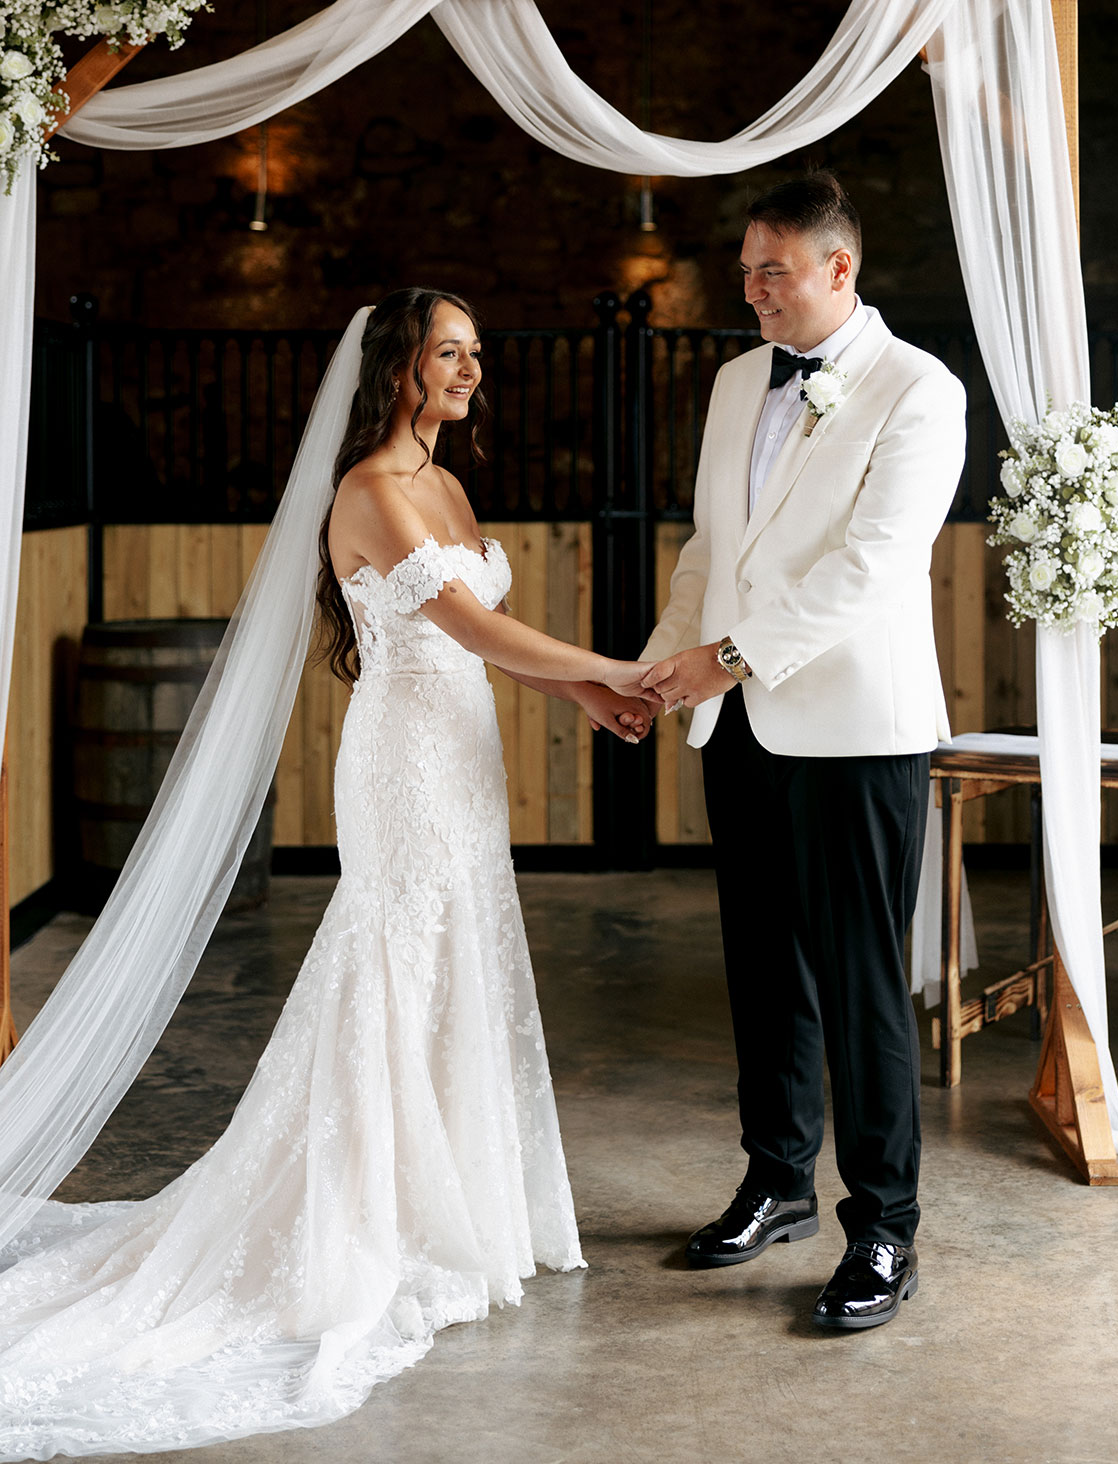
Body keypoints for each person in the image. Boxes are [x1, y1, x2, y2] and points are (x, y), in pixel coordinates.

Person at [0, 287, 651, 1458]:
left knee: (460, 961)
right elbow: (469, 625)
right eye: (449, 352)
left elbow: (490, 651)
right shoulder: (372, 491)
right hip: (402, 765)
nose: (470, 371)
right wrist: (614, 663)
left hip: (464, 757)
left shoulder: (449, 484)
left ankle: (448, 1201)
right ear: (399, 367)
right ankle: (367, 1218)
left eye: (476, 353)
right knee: (392, 962)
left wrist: (590, 697)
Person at [640, 173, 966, 1332]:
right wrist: (659, 670)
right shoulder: (737, 381)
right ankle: (777, 1180)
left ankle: (884, 1228)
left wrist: (721, 658)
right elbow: (706, 549)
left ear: (841, 269)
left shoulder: (920, 391)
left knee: (862, 979)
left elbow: (870, 568)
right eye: (745, 270)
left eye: (772, 270)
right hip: (740, 721)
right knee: (763, 968)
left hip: (855, 730)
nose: (751, 290)